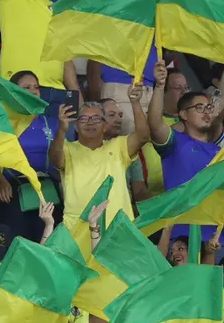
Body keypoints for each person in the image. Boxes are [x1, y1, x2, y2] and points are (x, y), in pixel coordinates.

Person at [147, 61, 224, 255]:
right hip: (181, 240)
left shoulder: (220, 152)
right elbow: (155, 123)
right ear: (183, 114)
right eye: (200, 107)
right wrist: (159, 86)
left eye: (209, 108)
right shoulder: (175, 144)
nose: (207, 112)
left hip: (218, 242)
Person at [50, 83, 150, 228]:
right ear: (76, 127)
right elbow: (55, 160)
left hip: (118, 230)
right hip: (78, 231)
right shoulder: (67, 148)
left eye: (96, 118)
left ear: (105, 125)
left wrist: (135, 102)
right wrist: (61, 130)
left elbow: (143, 136)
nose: (90, 123)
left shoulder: (118, 146)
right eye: (83, 119)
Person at [0, 0, 80, 101]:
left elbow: (66, 60)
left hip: (58, 91)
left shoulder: (56, 9)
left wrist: (78, 100)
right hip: (21, 88)